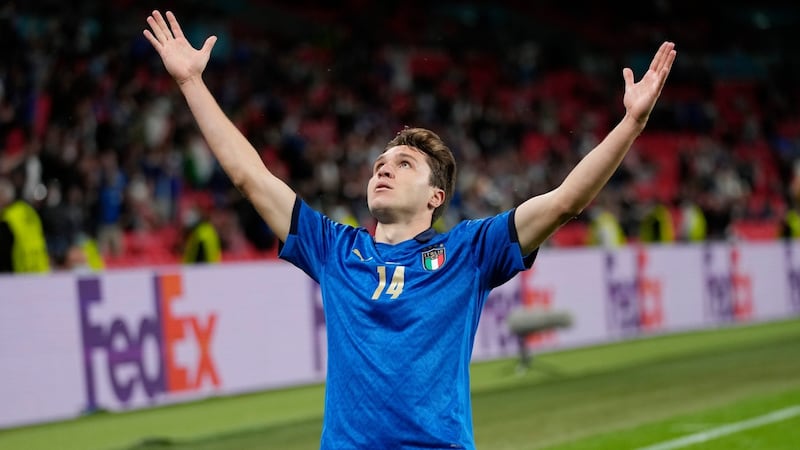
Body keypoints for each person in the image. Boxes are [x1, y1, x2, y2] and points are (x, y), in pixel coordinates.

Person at [144, 10, 675, 449]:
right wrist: (191, 81)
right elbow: (248, 176)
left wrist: (631, 124)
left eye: (403, 164)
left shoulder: (469, 251)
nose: (383, 169)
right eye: (380, 162)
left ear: (435, 197)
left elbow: (564, 203)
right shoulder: (333, 248)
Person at [0, 176, 51, 273]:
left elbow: (3, 251)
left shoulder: (7, 218)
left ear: (3, 196)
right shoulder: (28, 210)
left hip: (17, 273)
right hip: (39, 267)